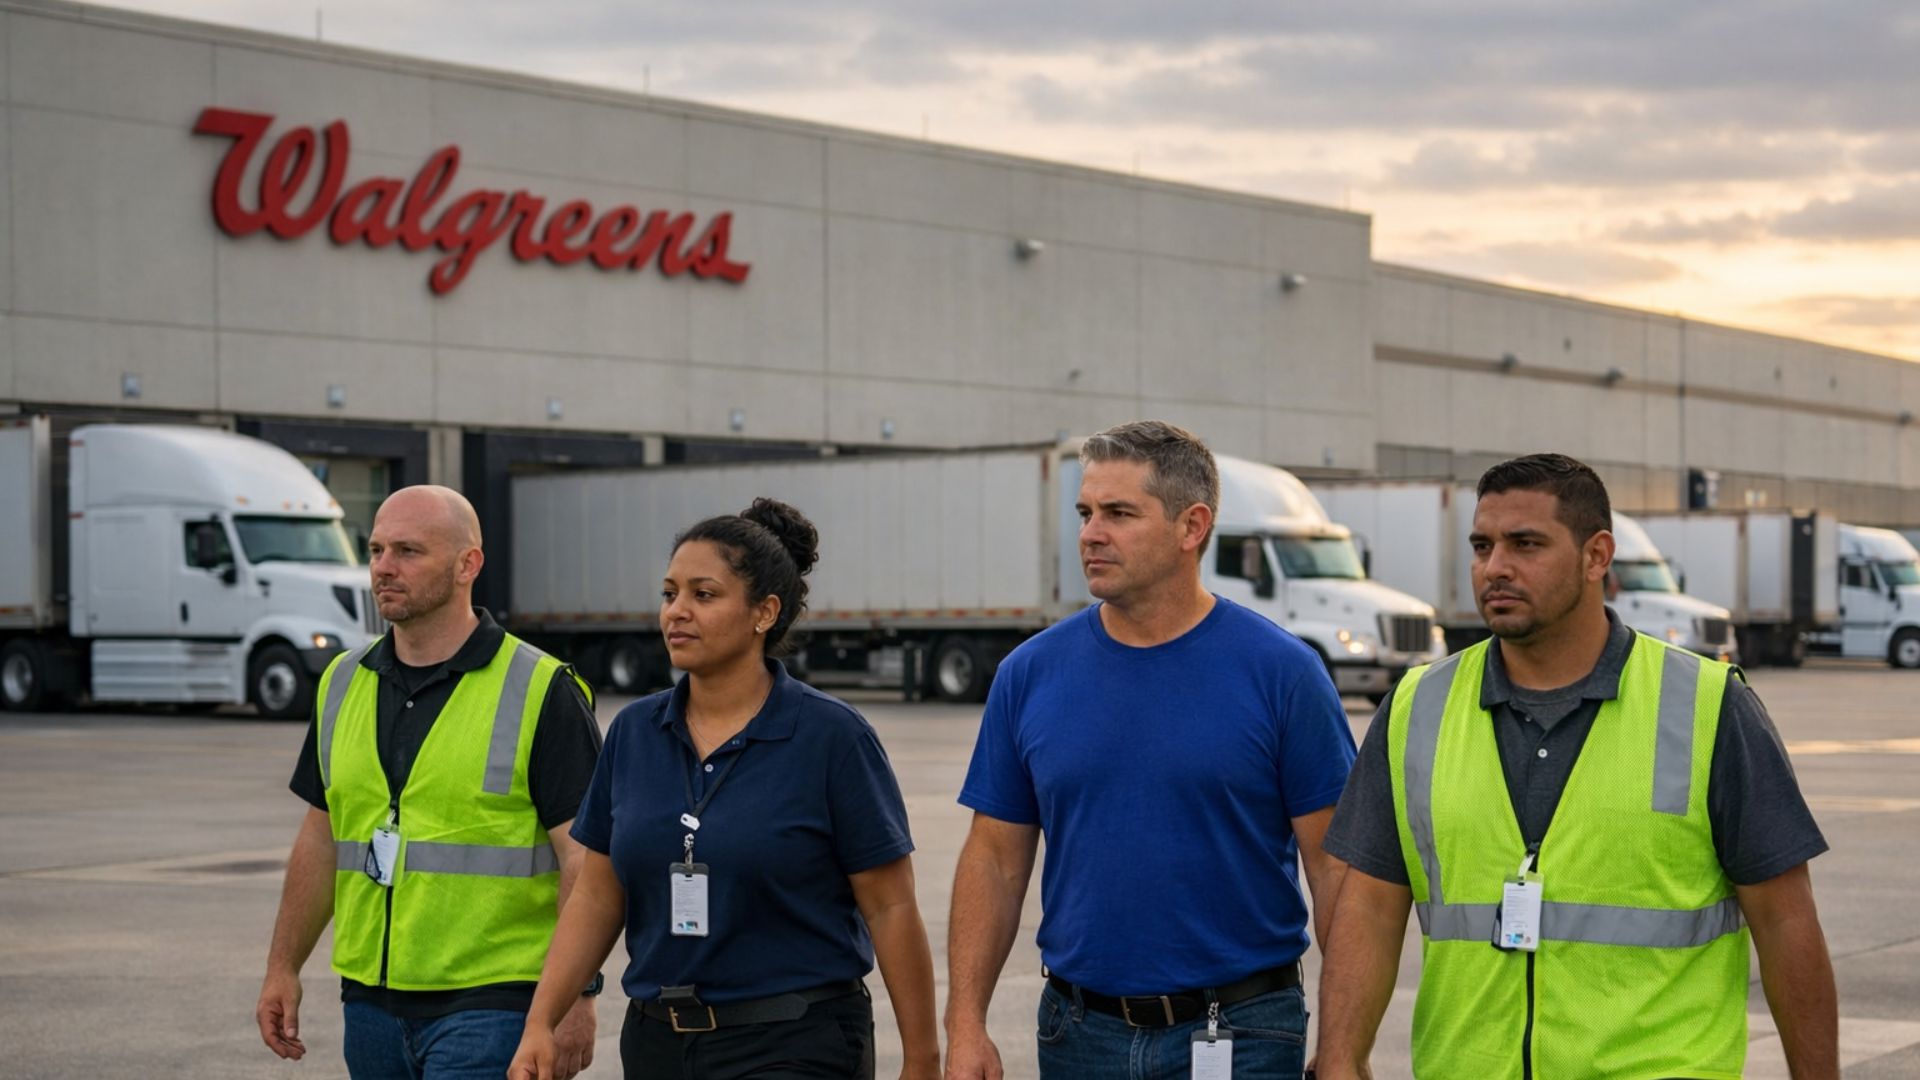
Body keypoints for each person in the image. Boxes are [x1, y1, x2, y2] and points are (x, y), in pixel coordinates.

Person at [1316, 453, 1839, 1080]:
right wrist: (1343, 1058)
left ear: (1597, 556)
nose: (1495, 568)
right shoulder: (1418, 705)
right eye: (1482, 546)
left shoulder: (1705, 705)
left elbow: (1785, 920)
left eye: (1525, 544)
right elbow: (1369, 906)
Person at [945, 420, 1355, 1080]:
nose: (1090, 533)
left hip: (1240, 1033)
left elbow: (1338, 873)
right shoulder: (1030, 673)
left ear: (1192, 527)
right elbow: (993, 858)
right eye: (1085, 513)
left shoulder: (1283, 673)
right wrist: (964, 1023)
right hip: (1078, 1035)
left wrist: (1345, 1045)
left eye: (1118, 513)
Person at [508, 497, 940, 1080]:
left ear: (764, 612)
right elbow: (597, 895)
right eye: (669, 593)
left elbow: (890, 906)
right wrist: (541, 1021)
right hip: (657, 1043)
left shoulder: (832, 738)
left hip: (794, 1043)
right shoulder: (635, 731)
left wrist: (922, 1058)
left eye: (703, 595)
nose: (676, 612)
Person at [255, 485, 606, 1080]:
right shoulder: (342, 681)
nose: (384, 568)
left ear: (467, 564)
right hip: (370, 1002)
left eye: (408, 551)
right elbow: (321, 835)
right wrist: (282, 966)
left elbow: (585, 860)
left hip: (495, 1004)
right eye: (376, 550)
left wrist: (579, 995)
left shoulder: (541, 689)